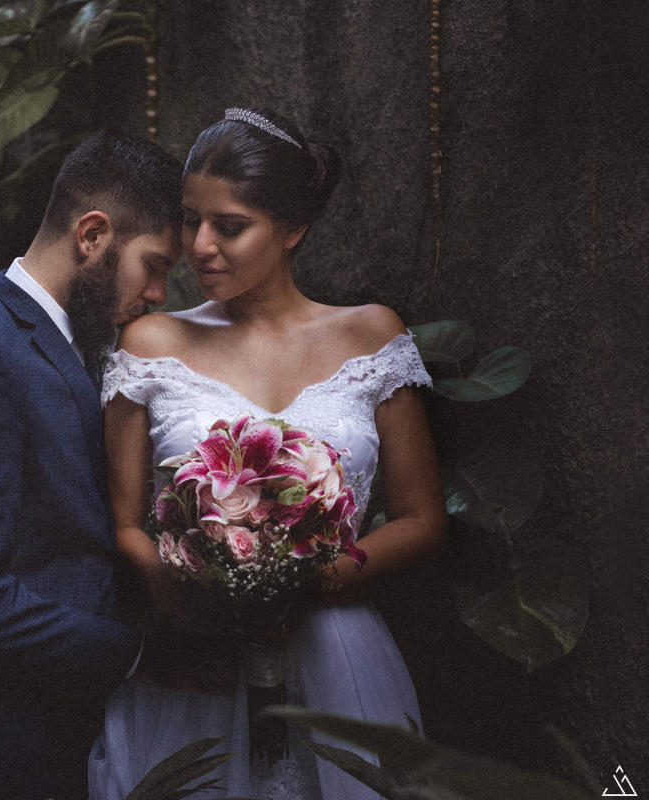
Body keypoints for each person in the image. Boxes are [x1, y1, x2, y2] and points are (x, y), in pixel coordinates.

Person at [88, 108, 450, 799]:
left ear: (293, 229)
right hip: (197, 657)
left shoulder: (372, 337)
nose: (200, 246)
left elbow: (423, 520)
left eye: (228, 226)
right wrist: (190, 591)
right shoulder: (150, 345)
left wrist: (308, 580)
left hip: (340, 655)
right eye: (191, 219)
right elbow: (124, 522)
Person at [0, 131, 185, 800]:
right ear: (92, 235)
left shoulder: (83, 353)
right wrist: (139, 655)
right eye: (154, 265)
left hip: (79, 742)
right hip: (5, 753)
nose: (160, 294)